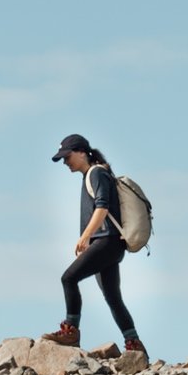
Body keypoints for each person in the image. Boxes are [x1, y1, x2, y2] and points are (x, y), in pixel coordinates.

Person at [45, 132, 147, 358]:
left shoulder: (96, 173)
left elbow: (102, 207)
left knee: (68, 278)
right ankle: (135, 346)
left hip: (106, 241)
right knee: (112, 297)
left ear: (81, 152)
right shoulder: (95, 173)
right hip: (109, 243)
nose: (65, 162)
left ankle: (70, 331)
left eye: (67, 157)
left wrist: (85, 237)